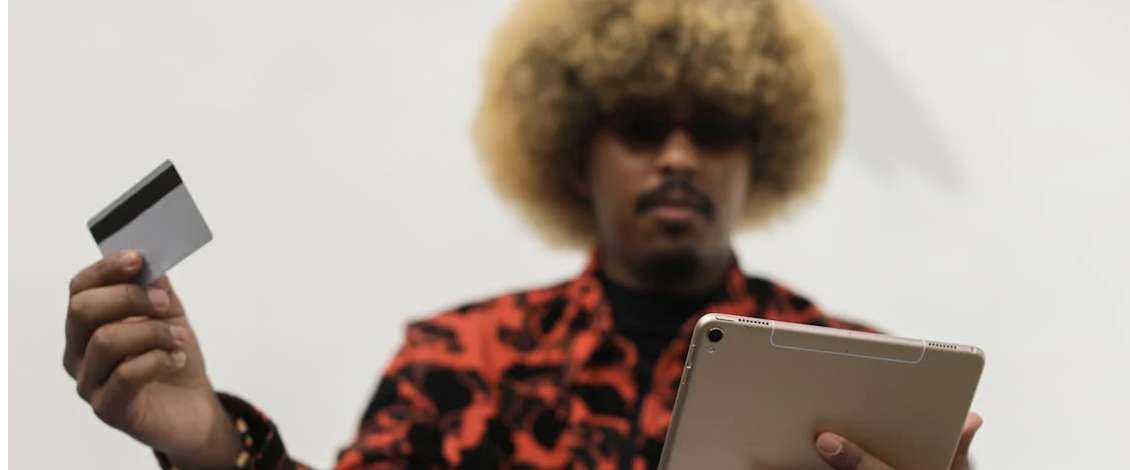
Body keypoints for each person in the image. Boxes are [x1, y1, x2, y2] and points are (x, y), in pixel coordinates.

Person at [62, 0, 983, 469]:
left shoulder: (852, 378)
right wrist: (211, 446)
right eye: (639, 125)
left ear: (760, 154)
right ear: (576, 153)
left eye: (712, 129)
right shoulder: (459, 361)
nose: (677, 157)